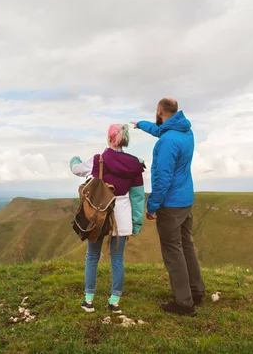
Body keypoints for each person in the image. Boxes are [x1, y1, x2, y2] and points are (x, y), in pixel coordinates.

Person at [132, 97, 205, 317]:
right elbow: (160, 130)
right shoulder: (185, 132)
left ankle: (184, 303)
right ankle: (196, 291)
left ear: (159, 110)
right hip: (185, 200)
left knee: (173, 252)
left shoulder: (167, 142)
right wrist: (141, 124)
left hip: (171, 204)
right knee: (186, 246)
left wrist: (152, 205)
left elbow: (162, 177)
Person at [70, 124, 146, 314]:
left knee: (93, 256)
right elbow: (137, 197)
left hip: (99, 214)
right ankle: (114, 302)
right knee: (118, 259)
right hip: (122, 215)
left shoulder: (98, 160)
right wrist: (137, 222)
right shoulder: (136, 164)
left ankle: (89, 301)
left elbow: (77, 169)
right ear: (125, 140)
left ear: (109, 138)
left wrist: (74, 159)